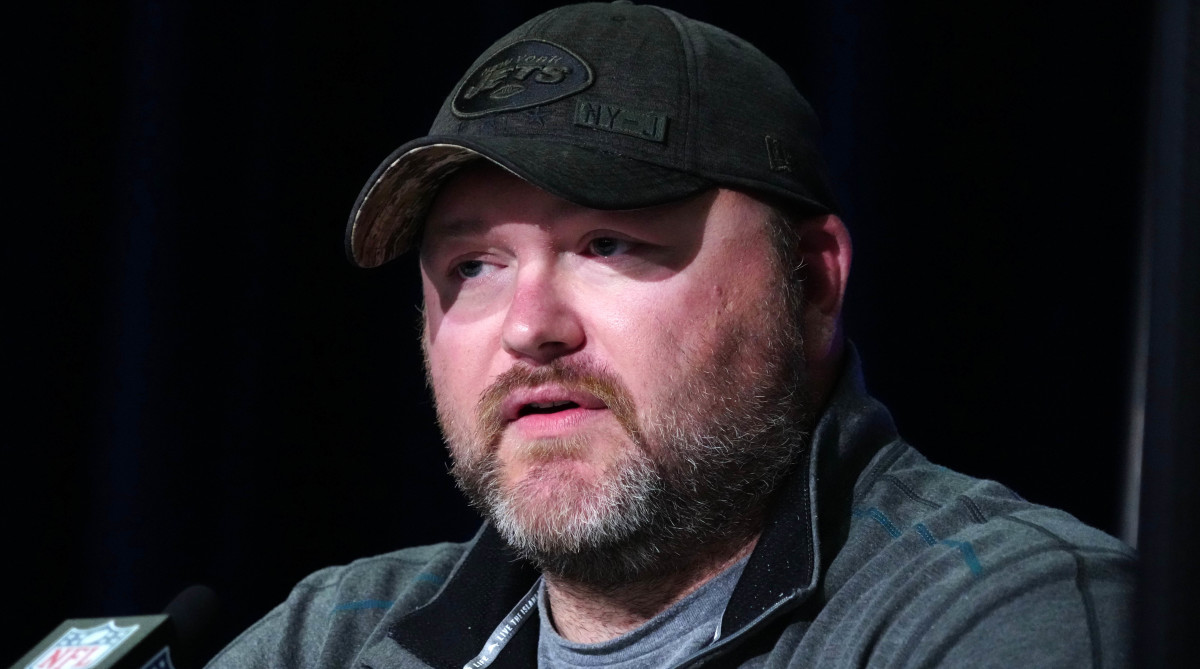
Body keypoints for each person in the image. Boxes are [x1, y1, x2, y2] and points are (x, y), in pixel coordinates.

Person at [206, 2, 1135, 667]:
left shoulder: (996, 613)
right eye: (474, 268)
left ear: (810, 282)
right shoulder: (337, 633)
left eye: (607, 244)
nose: (530, 327)